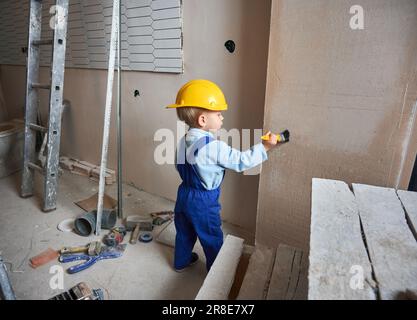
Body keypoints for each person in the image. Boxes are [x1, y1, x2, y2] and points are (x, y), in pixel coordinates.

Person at [166, 79, 281, 272]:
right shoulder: (214, 147)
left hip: (184, 194)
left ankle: (181, 262)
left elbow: (178, 167)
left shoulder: (183, 140)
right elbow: (241, 161)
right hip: (203, 202)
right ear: (203, 120)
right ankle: (217, 276)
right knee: (211, 237)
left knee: (184, 233)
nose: (222, 118)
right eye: (218, 114)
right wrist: (265, 147)